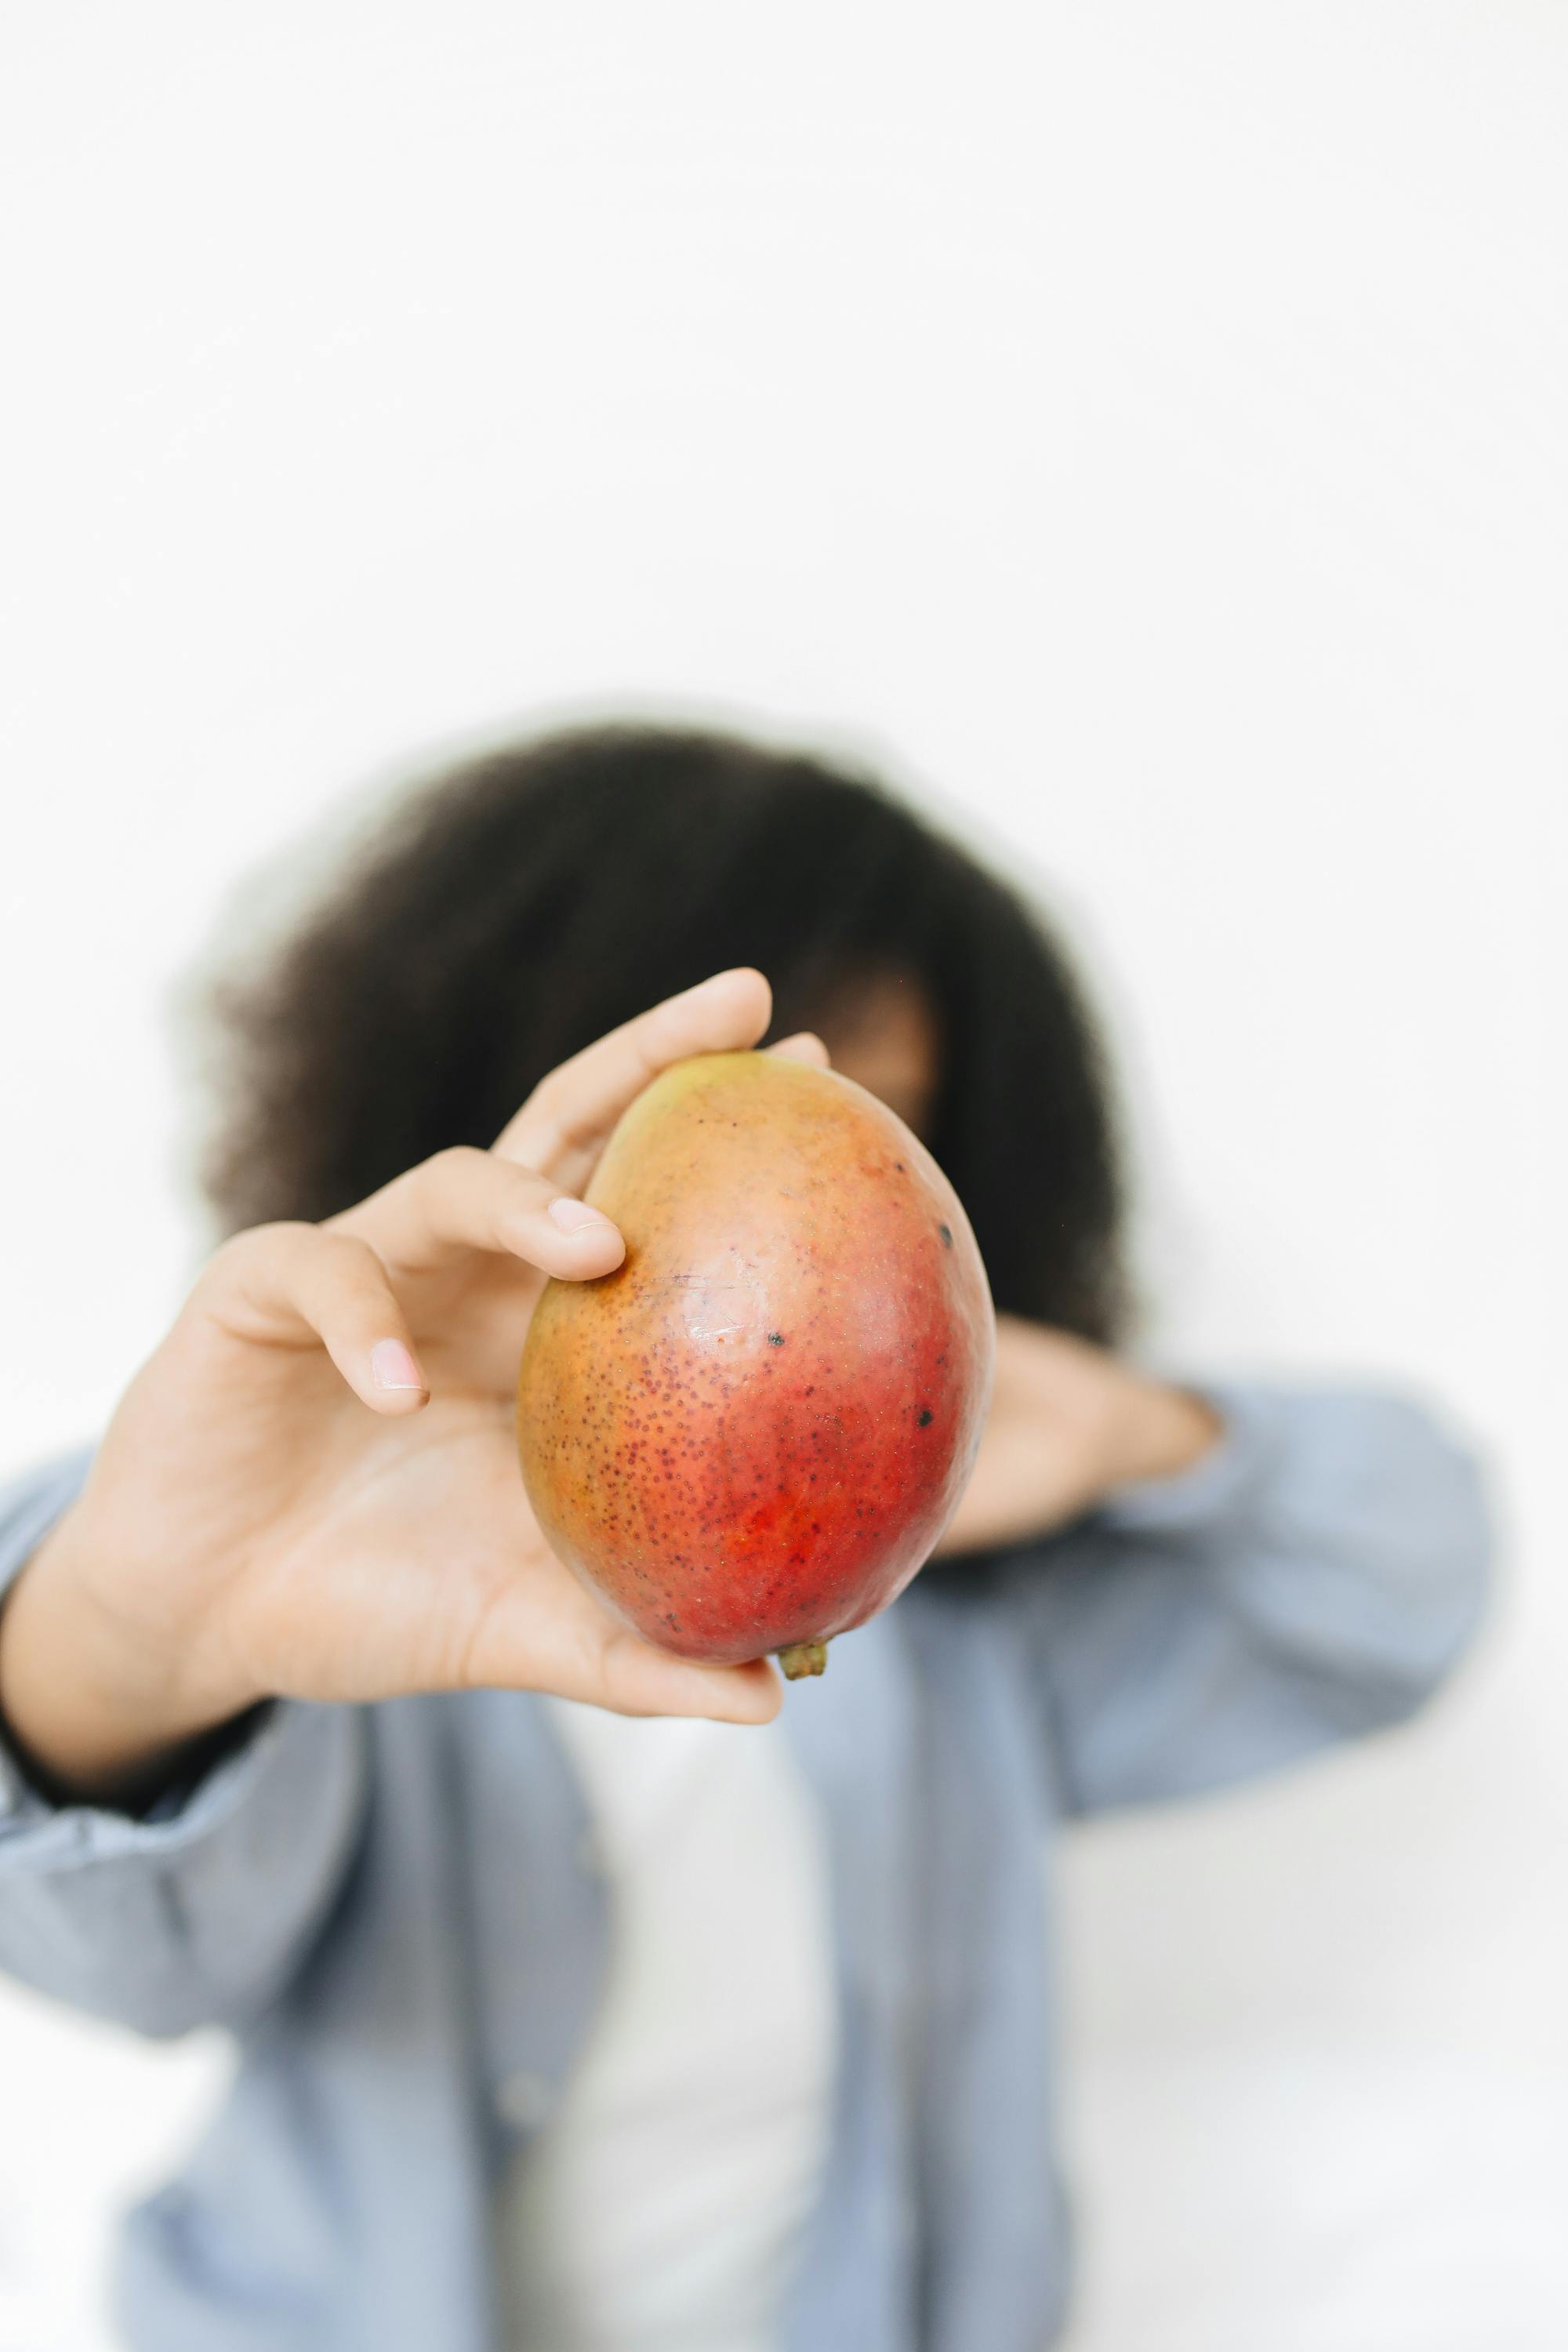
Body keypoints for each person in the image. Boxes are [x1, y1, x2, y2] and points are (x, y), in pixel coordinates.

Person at [0, 723, 1490, 2352]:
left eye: (887, 1148)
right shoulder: (321, 1534)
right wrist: (133, 1636)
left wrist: (1138, 1430)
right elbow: (112, 1966)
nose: (793, 1249)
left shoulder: (976, 1631)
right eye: (717, 1156)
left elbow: (1405, 1587)